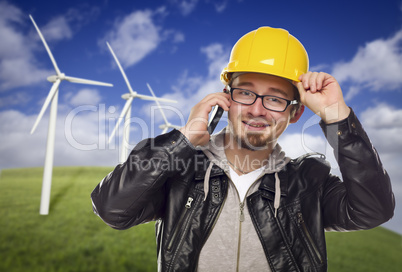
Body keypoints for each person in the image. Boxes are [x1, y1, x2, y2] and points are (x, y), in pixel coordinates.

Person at [91, 27, 395, 271]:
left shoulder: (309, 182)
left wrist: (337, 117)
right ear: (226, 97)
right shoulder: (181, 171)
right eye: (245, 93)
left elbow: (373, 210)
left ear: (295, 113)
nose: (257, 110)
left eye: (274, 99)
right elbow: (112, 209)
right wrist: (182, 141)